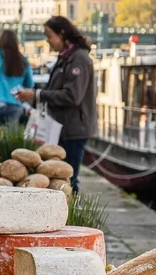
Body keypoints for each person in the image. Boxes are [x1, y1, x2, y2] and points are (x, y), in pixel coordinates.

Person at [18, 15, 97, 190]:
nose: (47, 41)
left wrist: (38, 94)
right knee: (62, 176)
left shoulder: (78, 59)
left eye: (49, 36)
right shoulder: (66, 57)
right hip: (63, 127)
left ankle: (71, 206)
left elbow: (72, 96)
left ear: (62, 34)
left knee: (68, 177)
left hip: (73, 129)